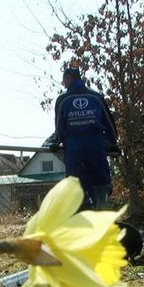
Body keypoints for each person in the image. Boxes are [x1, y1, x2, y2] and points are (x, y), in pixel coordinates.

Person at [46, 67, 119, 209]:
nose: (64, 83)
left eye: (64, 80)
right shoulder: (96, 97)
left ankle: (82, 209)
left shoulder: (63, 99)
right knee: (100, 180)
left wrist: (57, 141)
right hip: (96, 144)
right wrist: (113, 142)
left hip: (74, 146)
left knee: (75, 180)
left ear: (68, 78)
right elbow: (109, 123)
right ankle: (101, 210)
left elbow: (60, 126)